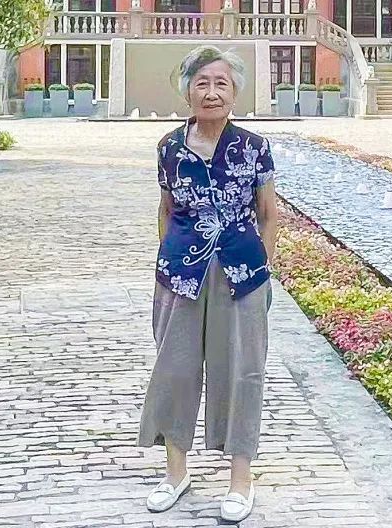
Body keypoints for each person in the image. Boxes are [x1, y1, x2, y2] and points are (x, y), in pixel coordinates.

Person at [136, 45, 278, 523]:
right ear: (188, 92)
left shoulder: (254, 147)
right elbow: (166, 209)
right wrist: (170, 257)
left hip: (241, 273)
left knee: (241, 372)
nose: (212, 92)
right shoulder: (169, 148)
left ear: (235, 92)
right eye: (202, 83)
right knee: (174, 370)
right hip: (180, 274)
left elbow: (268, 213)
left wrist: (264, 270)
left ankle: (240, 480)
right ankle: (175, 473)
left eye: (221, 83)